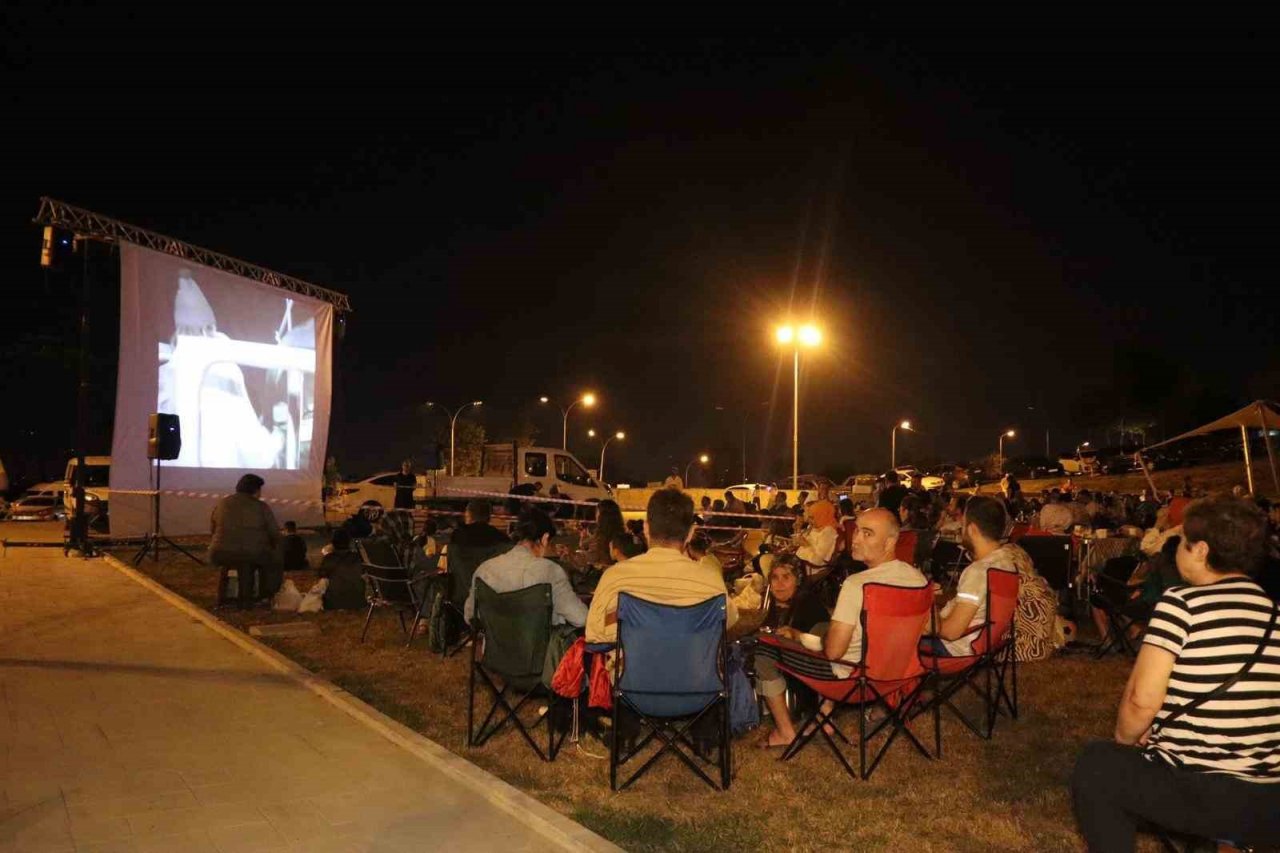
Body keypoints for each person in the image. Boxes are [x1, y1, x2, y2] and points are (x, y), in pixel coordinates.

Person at [1071, 495, 1280, 851]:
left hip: (1204, 792)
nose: (1177, 550)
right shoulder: (1274, 612)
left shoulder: (1181, 604)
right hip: (1269, 801)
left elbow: (1141, 701)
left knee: (1098, 767)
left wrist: (1126, 742)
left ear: (1200, 550)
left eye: (1181, 542)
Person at [758, 507, 927, 748]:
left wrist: (807, 638)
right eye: (857, 530)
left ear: (890, 542)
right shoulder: (918, 580)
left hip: (852, 680)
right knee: (825, 634)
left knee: (765, 650)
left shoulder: (857, 585)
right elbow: (926, 629)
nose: (855, 538)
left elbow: (834, 652)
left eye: (867, 534)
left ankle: (786, 732)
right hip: (896, 676)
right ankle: (824, 715)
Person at [585, 488, 737, 644]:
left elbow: (594, 634)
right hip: (692, 666)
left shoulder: (615, 576)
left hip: (635, 667)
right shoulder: (710, 579)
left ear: (646, 528)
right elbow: (729, 621)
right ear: (691, 533)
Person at [927, 496, 1020, 656]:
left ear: (972, 530)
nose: (961, 531)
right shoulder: (1007, 563)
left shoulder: (978, 572)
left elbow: (951, 632)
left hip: (954, 649)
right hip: (985, 644)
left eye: (962, 526)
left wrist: (927, 606)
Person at [464, 507, 587, 628]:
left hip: (496, 647)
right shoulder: (550, 571)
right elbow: (581, 618)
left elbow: (469, 616)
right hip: (540, 647)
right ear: (544, 539)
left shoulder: (484, 570)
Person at [210, 474, 282, 607]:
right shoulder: (261, 507)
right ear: (256, 490)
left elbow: (213, 528)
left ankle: (226, 595)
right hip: (251, 554)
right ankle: (264, 596)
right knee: (272, 559)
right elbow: (274, 533)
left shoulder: (222, 503)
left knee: (241, 560)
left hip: (219, 553)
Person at [318, 528, 366, 610]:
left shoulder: (329, 559)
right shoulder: (357, 557)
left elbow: (321, 575)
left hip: (334, 602)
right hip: (356, 600)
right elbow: (362, 572)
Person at [794, 499, 838, 567]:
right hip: (801, 563)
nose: (811, 521)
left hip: (810, 568)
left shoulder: (828, 532)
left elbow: (817, 561)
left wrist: (806, 545)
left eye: (812, 517)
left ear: (821, 516)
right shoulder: (816, 528)